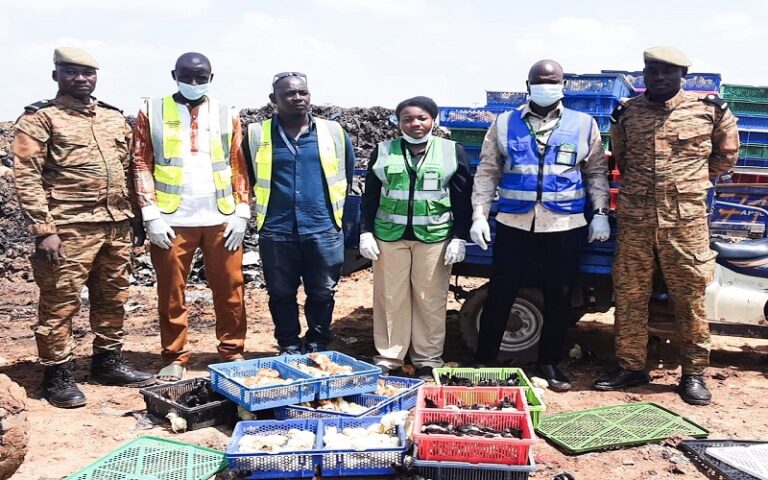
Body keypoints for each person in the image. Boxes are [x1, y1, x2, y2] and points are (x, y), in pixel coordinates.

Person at [593, 47, 739, 405]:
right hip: (636, 222)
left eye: (667, 71)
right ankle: (630, 367)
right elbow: (621, 158)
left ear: (682, 76)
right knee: (629, 297)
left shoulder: (710, 111)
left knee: (690, 300)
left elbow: (726, 158)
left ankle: (693, 374)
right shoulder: (627, 113)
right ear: (643, 74)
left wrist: (687, 183)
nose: (658, 77)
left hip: (685, 223)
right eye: (651, 70)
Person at [12, 47, 154, 408]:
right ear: (56, 75)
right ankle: (57, 376)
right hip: (68, 228)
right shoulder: (40, 119)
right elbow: (26, 177)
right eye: (72, 72)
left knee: (113, 296)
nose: (81, 79)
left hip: (115, 225)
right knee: (60, 303)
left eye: (88, 73)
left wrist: (136, 219)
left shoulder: (112, 118)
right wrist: (44, 230)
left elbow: (129, 170)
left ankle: (108, 363)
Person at [470, 59, 610, 391]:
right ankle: (485, 361)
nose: (547, 85)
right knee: (501, 293)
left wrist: (601, 211)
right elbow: (488, 171)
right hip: (514, 222)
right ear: (528, 84)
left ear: (563, 85)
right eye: (541, 80)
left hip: (565, 223)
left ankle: (548, 363)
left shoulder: (583, 123)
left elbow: (595, 172)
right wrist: (479, 214)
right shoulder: (504, 124)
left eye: (554, 80)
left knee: (559, 296)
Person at [131, 52, 250, 382]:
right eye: (188, 76)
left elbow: (239, 163)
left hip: (221, 216)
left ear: (212, 77)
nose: (194, 83)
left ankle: (232, 351)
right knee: (171, 291)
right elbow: (141, 162)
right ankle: (175, 355)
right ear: (174, 74)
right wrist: (150, 214)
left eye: (202, 77)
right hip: (172, 218)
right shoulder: (153, 110)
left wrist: (242, 210)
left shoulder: (227, 113)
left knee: (230, 290)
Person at [359, 96, 473, 380]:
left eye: (421, 118)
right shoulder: (384, 151)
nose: (415, 124)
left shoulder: (451, 151)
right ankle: (389, 357)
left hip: (434, 237)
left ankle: (428, 359)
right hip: (389, 236)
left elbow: (462, 198)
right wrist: (365, 232)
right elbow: (370, 195)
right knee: (390, 297)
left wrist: (460, 237)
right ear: (398, 123)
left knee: (430, 298)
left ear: (433, 119)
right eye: (407, 119)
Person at [243, 72, 355, 355]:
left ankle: (317, 344)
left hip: (323, 228)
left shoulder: (334, 133)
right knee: (281, 293)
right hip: (277, 229)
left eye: (302, 92)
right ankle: (289, 345)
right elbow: (246, 176)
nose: (297, 98)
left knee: (322, 292)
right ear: (273, 100)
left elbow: (347, 174)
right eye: (289, 94)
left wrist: (334, 218)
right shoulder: (257, 134)